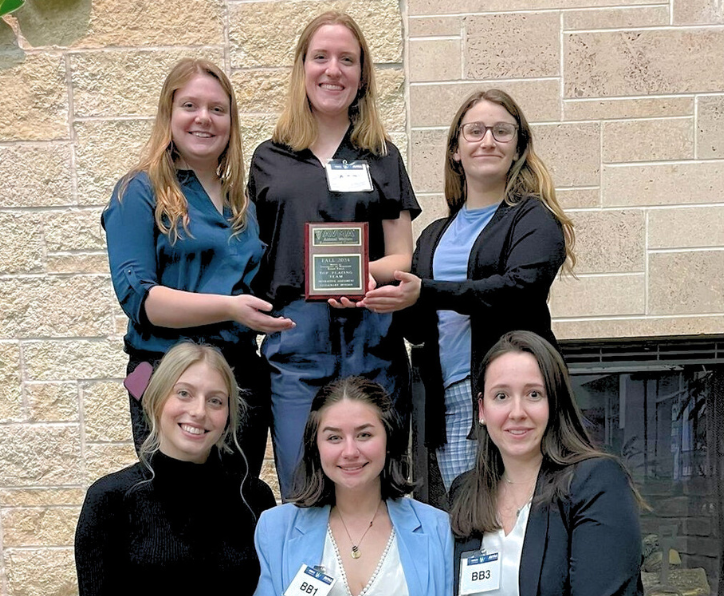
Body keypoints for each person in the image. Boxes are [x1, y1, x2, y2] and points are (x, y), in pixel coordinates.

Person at [359, 89, 577, 491]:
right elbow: (419, 329)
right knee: (467, 519)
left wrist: (426, 291)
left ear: (518, 148)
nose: (488, 141)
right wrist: (384, 299)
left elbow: (518, 289)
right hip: (451, 403)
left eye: (501, 131)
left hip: (512, 397)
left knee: (522, 511)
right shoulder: (432, 236)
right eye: (475, 131)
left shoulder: (533, 219)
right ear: (456, 150)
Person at [248, 11, 420, 498]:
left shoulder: (381, 155)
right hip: (297, 344)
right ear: (302, 68)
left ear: (362, 75)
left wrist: (361, 276)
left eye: (348, 60)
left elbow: (401, 255)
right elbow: (253, 257)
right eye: (320, 57)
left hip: (371, 339)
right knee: (304, 486)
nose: (333, 70)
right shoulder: (268, 159)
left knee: (380, 487)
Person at [102, 57, 293, 472]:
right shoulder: (139, 191)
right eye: (190, 106)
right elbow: (141, 299)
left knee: (237, 506)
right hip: (165, 376)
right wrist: (228, 307)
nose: (204, 118)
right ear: (169, 114)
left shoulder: (242, 203)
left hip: (240, 378)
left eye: (217, 109)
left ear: (230, 122)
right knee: (173, 511)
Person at [448, 331, 643, 596]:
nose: (517, 413)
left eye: (534, 395)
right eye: (502, 396)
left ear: (555, 403)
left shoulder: (595, 482)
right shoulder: (465, 491)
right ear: (482, 409)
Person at [74, 342, 277, 595]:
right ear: (157, 400)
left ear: (227, 415)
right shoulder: (110, 498)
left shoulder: (255, 498)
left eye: (215, 400)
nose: (199, 411)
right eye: (184, 393)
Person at [254, 376, 452, 596]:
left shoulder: (437, 528)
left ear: (389, 439)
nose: (350, 452)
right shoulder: (275, 529)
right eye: (334, 437)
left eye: (364, 435)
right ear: (315, 446)